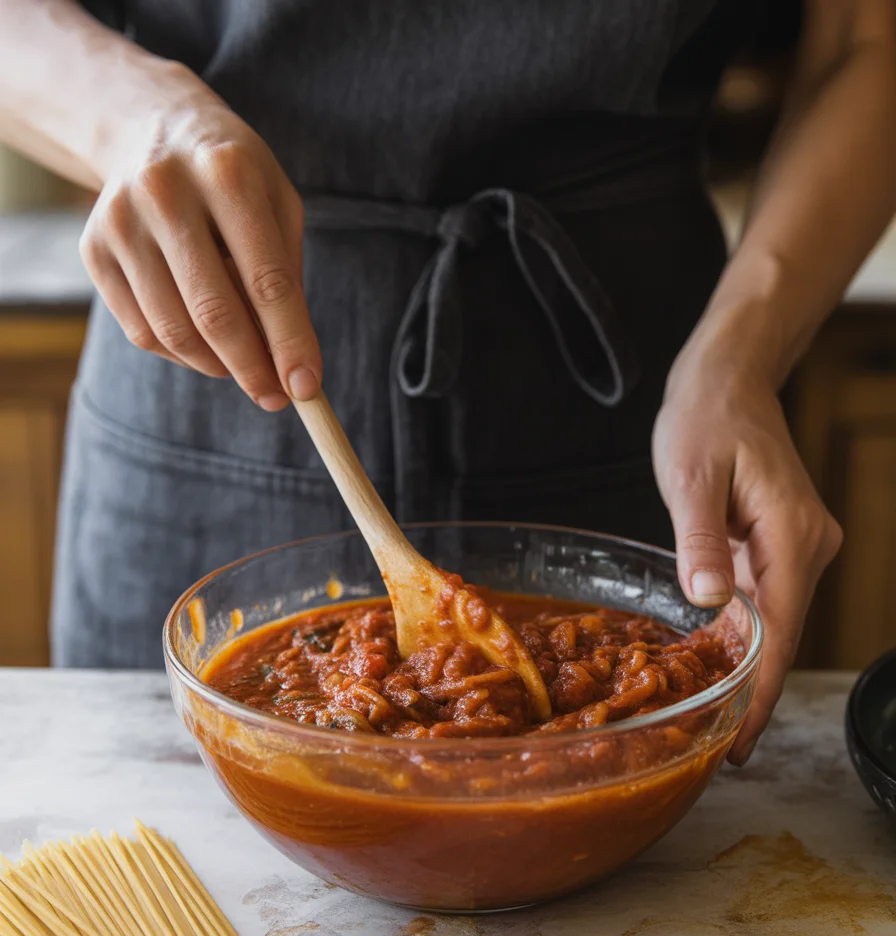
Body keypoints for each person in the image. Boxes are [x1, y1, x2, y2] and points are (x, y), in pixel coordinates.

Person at [2, 1, 893, 764]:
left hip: (643, 386)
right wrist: (131, 116)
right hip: (208, 332)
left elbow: (865, 41)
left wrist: (741, 359)